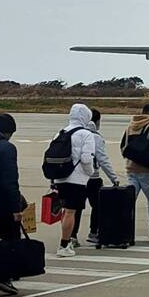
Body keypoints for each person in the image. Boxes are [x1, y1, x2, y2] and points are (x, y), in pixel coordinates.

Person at [53, 104, 96, 257]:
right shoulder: (86, 134)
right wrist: (91, 173)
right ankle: (64, 244)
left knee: (65, 211)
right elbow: (86, 159)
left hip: (59, 177)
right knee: (71, 212)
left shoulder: (61, 132)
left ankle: (66, 240)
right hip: (76, 179)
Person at [121, 103, 149, 239]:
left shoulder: (130, 125)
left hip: (131, 168)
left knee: (129, 201)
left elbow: (123, 147)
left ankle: (124, 228)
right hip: (148, 170)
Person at [0, 113, 22, 295]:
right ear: (9, 132)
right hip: (0, 206)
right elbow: (10, 181)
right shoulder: (7, 148)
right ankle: (3, 277)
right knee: (10, 240)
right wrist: (15, 209)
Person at [85, 109, 120, 245]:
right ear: (96, 121)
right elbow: (103, 159)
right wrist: (114, 178)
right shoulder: (95, 137)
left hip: (75, 178)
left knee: (73, 209)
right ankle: (94, 232)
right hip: (93, 178)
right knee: (98, 206)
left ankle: (71, 236)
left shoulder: (71, 133)